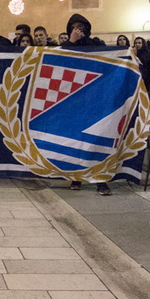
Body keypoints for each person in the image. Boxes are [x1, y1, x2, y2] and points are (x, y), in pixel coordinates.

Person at [60, 14, 110, 195]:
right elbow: (62, 60)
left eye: (82, 27)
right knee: (76, 142)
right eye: (75, 28)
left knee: (98, 141)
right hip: (74, 101)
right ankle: (76, 177)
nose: (79, 31)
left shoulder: (97, 45)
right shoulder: (66, 46)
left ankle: (101, 180)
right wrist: (71, 42)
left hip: (95, 100)